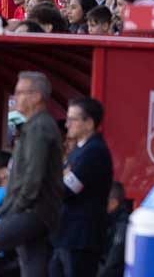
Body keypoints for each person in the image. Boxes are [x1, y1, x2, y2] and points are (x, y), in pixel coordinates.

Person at [0, 71, 64, 277]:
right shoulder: (38, 125)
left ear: (37, 96)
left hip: (30, 212)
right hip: (39, 213)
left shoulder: (39, 127)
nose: (15, 97)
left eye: (21, 92)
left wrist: (13, 209)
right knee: (32, 269)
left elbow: (33, 177)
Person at [51, 96, 114, 277]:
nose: (67, 125)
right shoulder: (79, 150)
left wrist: (62, 177)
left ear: (89, 123)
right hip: (66, 235)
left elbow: (67, 189)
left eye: (72, 120)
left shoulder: (94, 151)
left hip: (81, 238)